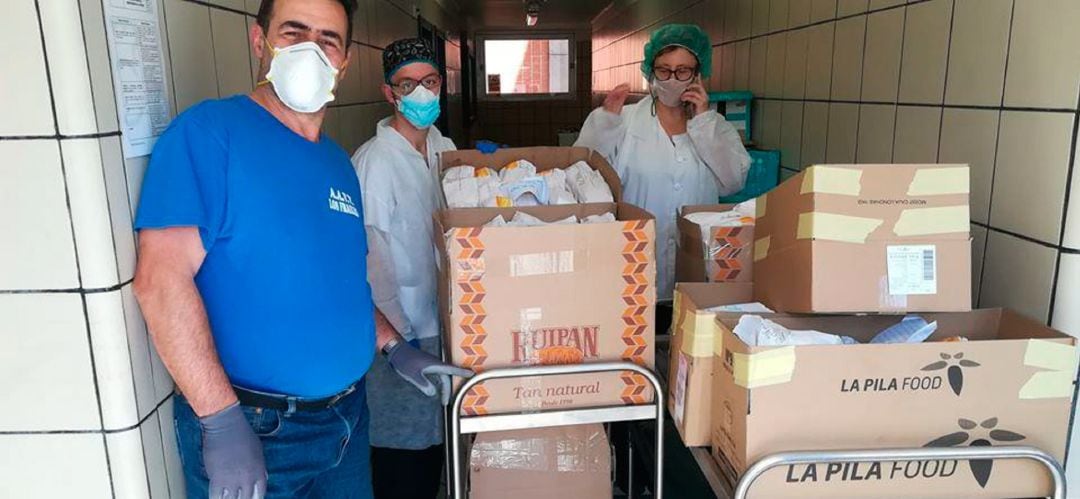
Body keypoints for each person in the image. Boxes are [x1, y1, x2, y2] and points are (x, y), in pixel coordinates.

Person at [134, 1, 467, 497]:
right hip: (259, 430)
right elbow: (160, 282)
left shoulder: (336, 165)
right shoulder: (210, 135)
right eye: (294, 33)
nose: (312, 50)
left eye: (328, 39)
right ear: (258, 42)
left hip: (347, 423)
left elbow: (341, 285)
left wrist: (394, 346)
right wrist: (220, 419)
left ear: (344, 60)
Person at [350, 38, 469, 499]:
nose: (421, 93)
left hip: (444, 322)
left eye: (430, 81)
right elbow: (370, 261)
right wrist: (398, 343)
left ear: (442, 85)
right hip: (402, 334)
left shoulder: (443, 146)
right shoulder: (375, 163)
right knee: (404, 452)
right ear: (389, 93)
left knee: (437, 441)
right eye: (408, 84)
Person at [575, 23, 750, 332]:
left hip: (696, 267)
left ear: (699, 74)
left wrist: (704, 121)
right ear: (650, 71)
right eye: (664, 70)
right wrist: (604, 124)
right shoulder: (623, 121)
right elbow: (582, 172)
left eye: (683, 71)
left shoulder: (715, 126)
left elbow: (733, 181)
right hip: (634, 267)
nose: (672, 79)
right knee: (638, 348)